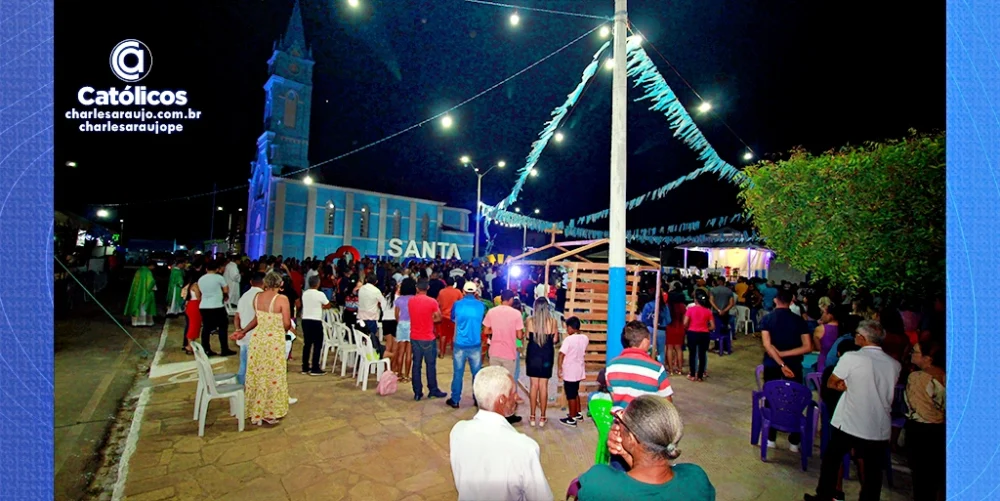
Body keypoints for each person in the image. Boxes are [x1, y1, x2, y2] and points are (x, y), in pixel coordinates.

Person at [805, 320, 901, 501]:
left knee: (832, 460)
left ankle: (824, 495)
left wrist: (847, 385)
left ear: (862, 338)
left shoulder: (852, 358)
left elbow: (832, 382)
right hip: (878, 424)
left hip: (850, 421)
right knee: (873, 471)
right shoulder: (893, 364)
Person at [579, 396, 715, 500]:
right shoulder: (697, 479)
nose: (616, 424)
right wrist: (629, 454)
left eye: (621, 420)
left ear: (632, 438)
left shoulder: (598, 483)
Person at [449, 366, 553, 501]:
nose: (517, 398)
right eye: (513, 393)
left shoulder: (458, 432)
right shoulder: (524, 448)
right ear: (502, 400)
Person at [231, 272, 293, 426]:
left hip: (258, 339)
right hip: (273, 341)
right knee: (273, 374)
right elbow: (286, 323)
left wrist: (243, 331)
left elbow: (257, 319)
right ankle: (269, 411)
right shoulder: (281, 299)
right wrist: (283, 329)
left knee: (258, 373)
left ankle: (254, 406)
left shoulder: (257, 297)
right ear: (280, 284)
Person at [759, 289, 812, 451]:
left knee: (771, 400)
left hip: (772, 366)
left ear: (775, 300)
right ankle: (794, 441)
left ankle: (771, 437)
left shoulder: (768, 319)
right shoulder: (799, 321)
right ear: (792, 301)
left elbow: (768, 346)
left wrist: (780, 361)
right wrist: (786, 357)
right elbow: (808, 347)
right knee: (794, 401)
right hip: (795, 366)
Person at [904, 339, 945, 501]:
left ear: (928, 358)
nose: (911, 354)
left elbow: (919, 407)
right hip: (942, 430)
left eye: (915, 352)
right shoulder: (945, 374)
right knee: (939, 476)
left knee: (922, 478)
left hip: (922, 430)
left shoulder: (918, 378)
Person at [606, 320, 674, 412]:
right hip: (646, 422)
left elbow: (615, 397)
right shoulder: (656, 369)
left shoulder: (611, 366)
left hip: (621, 421)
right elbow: (667, 403)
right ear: (645, 341)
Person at [483, 289, 526, 424]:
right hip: (509, 353)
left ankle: (494, 411)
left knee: (495, 383)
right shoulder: (516, 314)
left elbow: (486, 330)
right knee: (509, 385)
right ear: (511, 300)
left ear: (501, 299)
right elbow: (519, 335)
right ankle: (508, 414)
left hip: (494, 351)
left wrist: (496, 330)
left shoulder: (492, 312)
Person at [446, 281, 486, 409]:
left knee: (458, 373)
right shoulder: (481, 305)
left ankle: (455, 399)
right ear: (475, 292)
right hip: (475, 343)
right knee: (476, 373)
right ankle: (477, 398)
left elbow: (453, 318)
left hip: (460, 343)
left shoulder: (457, 305)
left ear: (463, 291)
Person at [408, 279, 448, 401]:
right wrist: (430, 320)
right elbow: (439, 318)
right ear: (428, 288)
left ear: (417, 288)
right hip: (428, 337)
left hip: (415, 336)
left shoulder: (411, 301)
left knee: (416, 365)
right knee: (430, 365)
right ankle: (433, 389)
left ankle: (417, 392)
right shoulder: (432, 302)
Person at [525, 297, 560, 427]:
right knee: (543, 386)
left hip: (533, 355)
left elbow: (528, 336)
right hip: (546, 356)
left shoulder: (529, 321)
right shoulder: (553, 322)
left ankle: (532, 416)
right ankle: (543, 417)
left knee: (534, 386)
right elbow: (555, 339)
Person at [198, 260, 236, 356]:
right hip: (217, 306)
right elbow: (226, 289)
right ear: (217, 269)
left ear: (206, 269)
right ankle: (224, 349)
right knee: (223, 327)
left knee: (206, 328)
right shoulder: (219, 278)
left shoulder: (201, 279)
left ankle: (206, 349)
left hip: (204, 306)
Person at [233, 272, 264, 384]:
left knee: (243, 364)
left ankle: (240, 388)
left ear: (251, 282)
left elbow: (237, 316)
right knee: (256, 368)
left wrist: (238, 330)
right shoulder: (261, 296)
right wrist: (245, 331)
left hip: (244, 336)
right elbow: (258, 318)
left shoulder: (244, 296)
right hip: (255, 336)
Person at [558, 316, 589, 427]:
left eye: (567, 328)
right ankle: (578, 413)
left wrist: (559, 368)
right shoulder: (585, 338)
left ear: (571, 327)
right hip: (579, 368)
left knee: (570, 394)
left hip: (570, 369)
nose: (567, 330)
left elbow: (561, 354)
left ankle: (571, 418)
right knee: (575, 392)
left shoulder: (569, 339)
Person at [300, 275, 333, 375]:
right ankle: (315, 367)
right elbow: (328, 304)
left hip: (305, 320)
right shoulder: (320, 294)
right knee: (318, 345)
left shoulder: (305, 293)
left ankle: (305, 367)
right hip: (316, 320)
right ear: (318, 284)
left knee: (307, 344)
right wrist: (322, 306)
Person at [683, 294, 715, 382]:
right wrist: (705, 328)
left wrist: (689, 327)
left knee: (692, 354)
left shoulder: (690, 310)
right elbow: (712, 326)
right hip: (704, 334)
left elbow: (685, 323)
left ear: (696, 300)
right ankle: (700, 376)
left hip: (692, 333)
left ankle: (692, 374)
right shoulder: (708, 311)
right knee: (702, 354)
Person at [394, 278, 416, 381]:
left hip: (401, 324)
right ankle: (407, 375)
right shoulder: (415, 299)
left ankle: (399, 374)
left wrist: (400, 322)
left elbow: (396, 315)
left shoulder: (399, 299)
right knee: (409, 352)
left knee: (401, 351)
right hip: (412, 324)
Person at [356, 274, 384, 357]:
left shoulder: (361, 289)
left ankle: (361, 357)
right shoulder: (376, 291)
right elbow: (383, 302)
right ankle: (371, 356)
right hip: (371, 318)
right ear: (376, 282)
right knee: (371, 340)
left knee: (362, 339)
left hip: (360, 317)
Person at [437, 276, 464, 358]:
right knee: (454, 336)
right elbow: (461, 304)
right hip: (454, 317)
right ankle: (453, 354)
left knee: (443, 335)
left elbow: (438, 303)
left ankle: (441, 353)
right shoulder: (458, 292)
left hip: (444, 316)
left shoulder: (441, 292)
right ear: (454, 283)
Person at [124, 261, 157, 327]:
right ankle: (144, 322)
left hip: (137, 293)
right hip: (146, 293)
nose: (153, 268)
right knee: (144, 308)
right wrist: (154, 287)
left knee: (137, 307)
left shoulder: (138, 271)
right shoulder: (148, 272)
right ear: (151, 266)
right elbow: (150, 283)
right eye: (153, 267)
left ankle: (135, 323)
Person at [641, 294, 670, 365]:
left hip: (650, 329)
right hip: (661, 330)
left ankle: (650, 366)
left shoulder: (647, 305)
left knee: (649, 349)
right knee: (661, 351)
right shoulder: (664, 306)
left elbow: (643, 319)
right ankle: (660, 367)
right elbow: (669, 320)